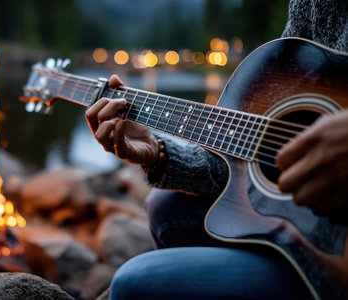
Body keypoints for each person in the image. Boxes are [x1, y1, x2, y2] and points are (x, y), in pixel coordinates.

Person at [85, 0, 348, 299]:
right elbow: (252, 151)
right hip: (318, 220)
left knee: (132, 283)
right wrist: (158, 153)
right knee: (167, 206)